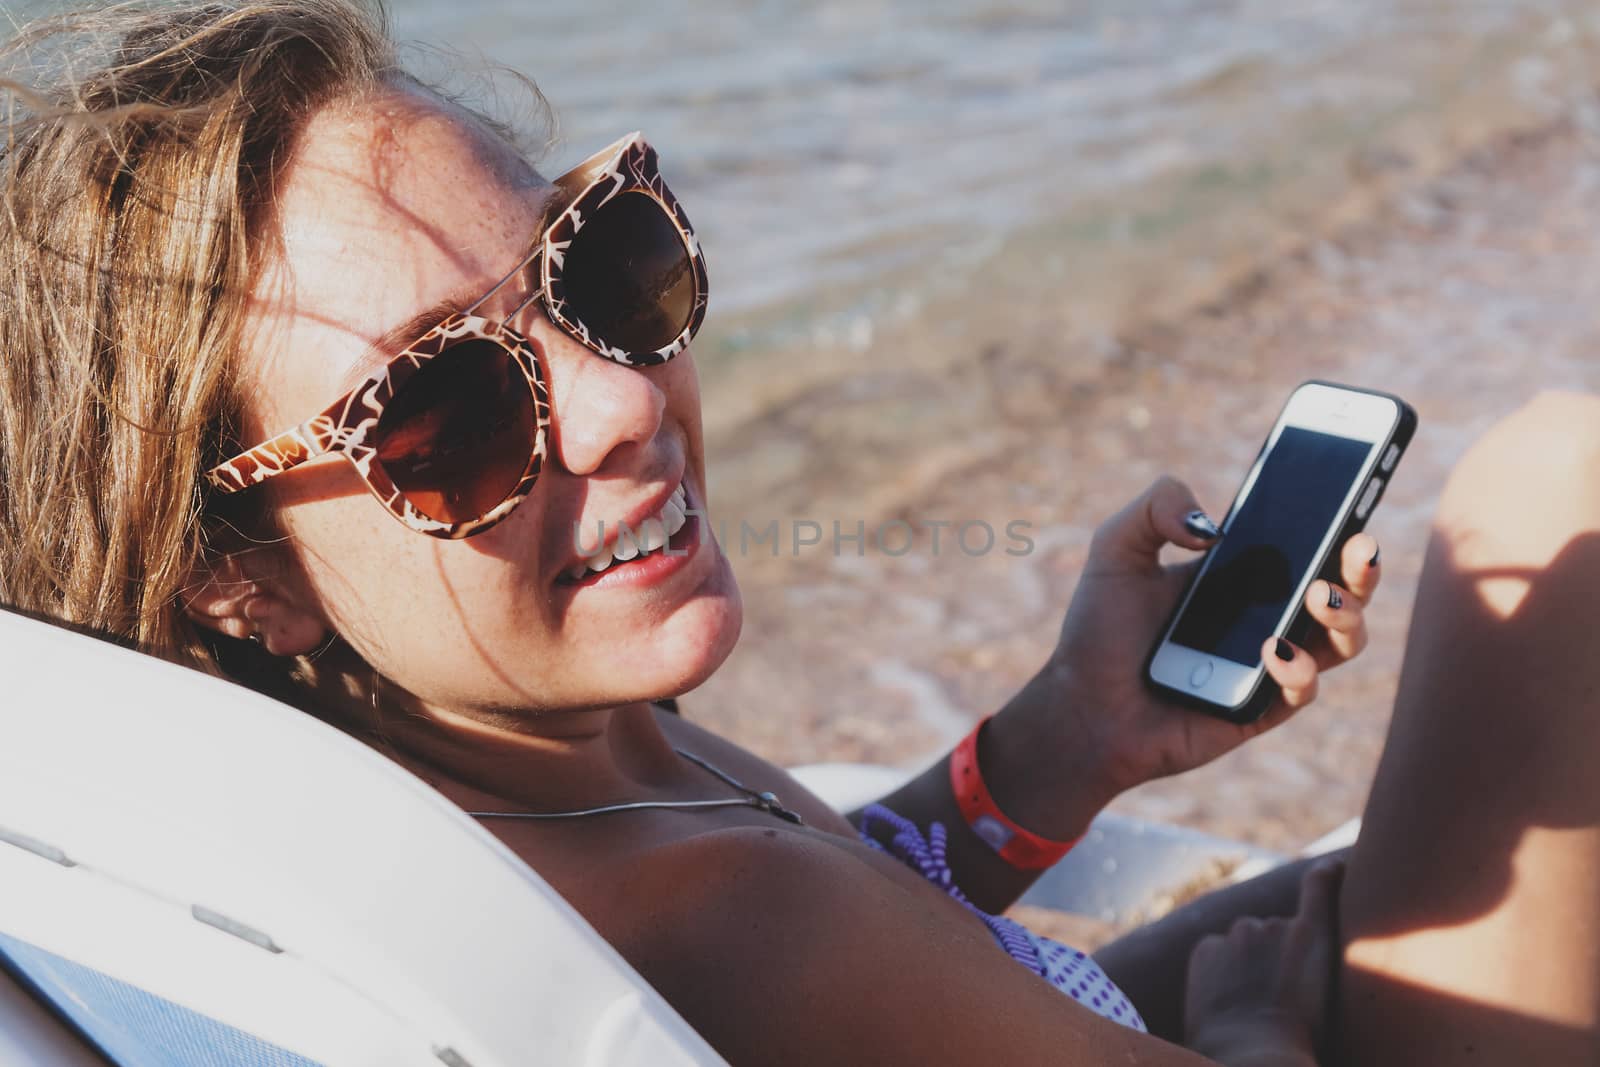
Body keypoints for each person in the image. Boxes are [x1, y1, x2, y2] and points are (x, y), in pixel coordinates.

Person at [1, 2, 1595, 1063]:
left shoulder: (493, 791)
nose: (622, 403)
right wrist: (1251, 1027)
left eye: (597, 270)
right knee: (1558, 494)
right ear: (238, 576)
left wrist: (1058, 748)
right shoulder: (740, 923)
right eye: (446, 416)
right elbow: (808, 935)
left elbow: (858, 914)